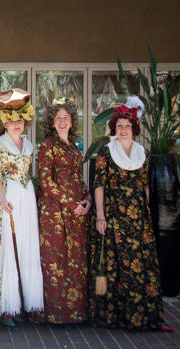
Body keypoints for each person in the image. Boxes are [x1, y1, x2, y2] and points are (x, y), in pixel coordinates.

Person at [88, 97, 173, 332]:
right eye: (119, 126)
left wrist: (144, 214)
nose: (123, 130)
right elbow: (99, 185)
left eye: (127, 126)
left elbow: (145, 186)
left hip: (138, 220)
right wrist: (100, 216)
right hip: (114, 218)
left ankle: (145, 317)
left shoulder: (142, 153)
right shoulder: (106, 152)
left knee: (141, 267)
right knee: (117, 267)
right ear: (114, 128)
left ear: (134, 128)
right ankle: (117, 317)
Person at [0, 88, 43, 331]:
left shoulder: (29, 145)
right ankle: (5, 308)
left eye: (20, 120)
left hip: (26, 196)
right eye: (12, 120)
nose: (17, 124)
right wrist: (3, 201)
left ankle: (22, 303)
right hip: (7, 198)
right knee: (7, 251)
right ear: (3, 122)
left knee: (24, 246)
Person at [30, 98, 90, 325]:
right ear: (52, 122)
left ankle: (74, 313)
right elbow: (45, 181)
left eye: (66, 117)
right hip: (54, 210)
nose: (62, 121)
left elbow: (79, 179)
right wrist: (70, 202)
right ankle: (54, 314)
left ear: (72, 121)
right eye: (58, 118)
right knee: (54, 257)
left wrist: (86, 200)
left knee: (75, 258)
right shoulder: (47, 146)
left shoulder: (75, 147)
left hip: (76, 210)